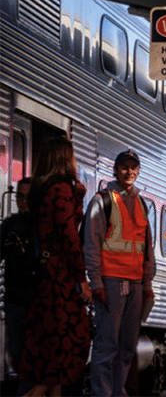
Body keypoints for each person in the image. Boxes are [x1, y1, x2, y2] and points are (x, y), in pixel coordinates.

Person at [19, 137, 92, 396]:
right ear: (64, 158)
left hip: (47, 279)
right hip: (59, 282)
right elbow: (69, 234)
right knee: (58, 362)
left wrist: (79, 200)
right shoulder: (60, 189)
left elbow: (65, 222)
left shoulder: (43, 190)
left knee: (55, 369)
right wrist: (82, 277)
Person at [84, 149, 155, 397]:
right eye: (124, 167)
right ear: (115, 170)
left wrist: (147, 283)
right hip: (110, 281)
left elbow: (147, 247)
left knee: (126, 346)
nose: (129, 172)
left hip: (135, 283)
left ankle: (117, 392)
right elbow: (92, 243)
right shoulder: (103, 200)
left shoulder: (141, 203)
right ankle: (103, 394)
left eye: (133, 167)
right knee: (107, 345)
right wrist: (96, 282)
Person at [1, 177, 34, 393]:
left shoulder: (43, 226)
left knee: (30, 361)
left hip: (35, 303)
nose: (23, 202)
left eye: (27, 197)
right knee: (18, 356)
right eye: (19, 197)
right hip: (15, 301)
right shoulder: (10, 225)